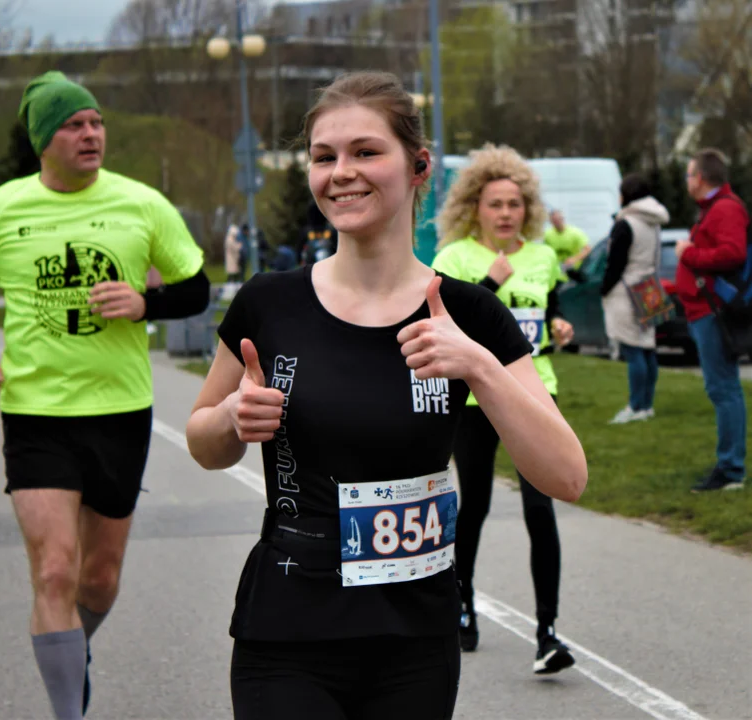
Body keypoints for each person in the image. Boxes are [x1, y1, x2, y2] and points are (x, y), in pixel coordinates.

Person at [185, 72, 587, 720]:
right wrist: (231, 419)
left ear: (418, 165)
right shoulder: (270, 302)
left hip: (414, 642)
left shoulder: (468, 314)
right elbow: (203, 442)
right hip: (287, 631)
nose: (340, 172)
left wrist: (479, 368)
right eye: (324, 156)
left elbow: (566, 476)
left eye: (365, 152)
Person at [0, 71, 210, 720]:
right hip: (35, 412)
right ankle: (68, 709)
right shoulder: (1, 208)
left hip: (119, 407)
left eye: (96, 123)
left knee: (98, 578)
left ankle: (65, 651)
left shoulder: (141, 204)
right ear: (43, 141)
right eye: (74, 125)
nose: (91, 134)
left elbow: (196, 290)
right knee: (56, 571)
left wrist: (146, 301)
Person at [432, 143, 578, 673]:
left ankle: (548, 634)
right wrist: (490, 282)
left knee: (541, 508)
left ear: (527, 208)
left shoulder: (542, 257)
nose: (505, 214)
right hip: (472, 398)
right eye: (495, 204)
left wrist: (561, 328)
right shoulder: (454, 260)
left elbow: (546, 315)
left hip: (536, 391)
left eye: (514, 204)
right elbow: (446, 328)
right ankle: (463, 606)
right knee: (475, 504)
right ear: (475, 207)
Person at [676, 148, 749, 492]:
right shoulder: (715, 208)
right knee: (721, 388)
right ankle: (729, 464)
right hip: (703, 310)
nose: (687, 181)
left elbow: (732, 252)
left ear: (701, 178)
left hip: (714, 312)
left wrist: (687, 253)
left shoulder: (725, 209)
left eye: (689, 175)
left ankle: (731, 470)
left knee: (724, 390)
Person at [600, 174, 670, 424]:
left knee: (633, 349)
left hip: (627, 289)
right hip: (650, 286)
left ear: (627, 195)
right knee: (648, 348)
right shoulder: (654, 221)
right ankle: (647, 404)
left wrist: (604, 288)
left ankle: (635, 406)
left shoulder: (626, 223)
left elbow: (616, 263)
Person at [543, 209, 591, 280]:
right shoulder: (548, 234)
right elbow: (546, 253)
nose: (556, 222)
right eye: (554, 221)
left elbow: (587, 249)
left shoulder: (575, 233)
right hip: (557, 275)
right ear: (551, 221)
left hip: (573, 274)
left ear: (562, 219)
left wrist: (574, 259)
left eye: (558, 219)